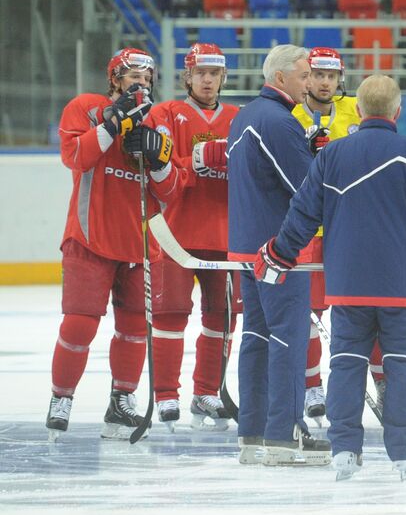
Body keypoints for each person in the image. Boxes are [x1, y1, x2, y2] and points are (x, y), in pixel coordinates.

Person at [261, 75, 406, 481]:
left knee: (347, 364)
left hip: (349, 283)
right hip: (404, 286)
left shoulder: (332, 156)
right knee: (405, 367)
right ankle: (405, 453)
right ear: (398, 111)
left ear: (358, 110)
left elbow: (303, 214)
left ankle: (344, 450)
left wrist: (280, 255)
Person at [47, 48, 180, 439]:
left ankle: (122, 400)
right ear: (115, 79)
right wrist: (111, 126)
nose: (140, 81)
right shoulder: (87, 108)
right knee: (79, 325)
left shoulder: (159, 121)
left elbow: (170, 193)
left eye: (146, 75)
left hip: (138, 244)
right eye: (131, 74)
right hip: (90, 236)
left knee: (136, 328)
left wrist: (162, 162)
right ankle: (62, 396)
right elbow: (75, 156)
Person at [227, 45, 324, 466]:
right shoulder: (279, 123)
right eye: (304, 75)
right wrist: (320, 163)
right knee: (288, 339)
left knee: (256, 338)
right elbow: (307, 190)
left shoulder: (245, 116)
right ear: (281, 78)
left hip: (247, 248)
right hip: (280, 252)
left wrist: (308, 151)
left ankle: (253, 433)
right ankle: (284, 434)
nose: (310, 83)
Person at [145, 42, 240, 430]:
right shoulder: (164, 114)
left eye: (214, 73)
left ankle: (207, 392)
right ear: (187, 75)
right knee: (169, 316)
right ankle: (166, 394)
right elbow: (154, 174)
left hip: (225, 234)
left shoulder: (239, 117)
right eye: (200, 72)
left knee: (223, 318)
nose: (207, 79)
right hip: (173, 233)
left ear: (223, 77)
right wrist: (193, 161)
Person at [291, 46, 362, 424]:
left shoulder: (357, 111)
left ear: (340, 79)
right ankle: (312, 385)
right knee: (309, 316)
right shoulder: (290, 116)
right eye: (318, 75)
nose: (324, 82)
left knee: (357, 311)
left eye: (331, 76)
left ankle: (372, 382)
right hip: (309, 230)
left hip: (349, 230)